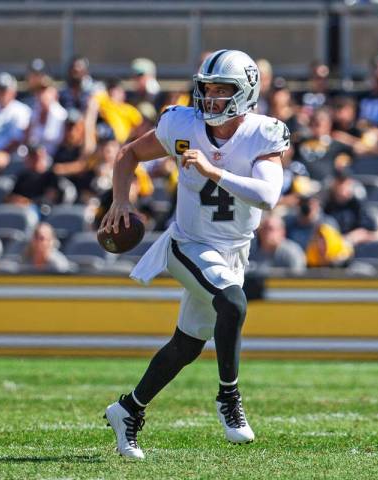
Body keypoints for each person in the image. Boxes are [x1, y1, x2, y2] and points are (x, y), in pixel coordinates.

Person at [100, 49, 289, 459]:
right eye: (207, 88)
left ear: (246, 93)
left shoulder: (264, 133)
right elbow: (128, 154)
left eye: (223, 90)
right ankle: (228, 398)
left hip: (233, 251)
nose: (212, 98)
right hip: (187, 245)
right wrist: (120, 201)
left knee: (186, 345)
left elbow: (269, 196)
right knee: (234, 305)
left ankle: (127, 409)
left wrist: (213, 170)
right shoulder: (181, 124)